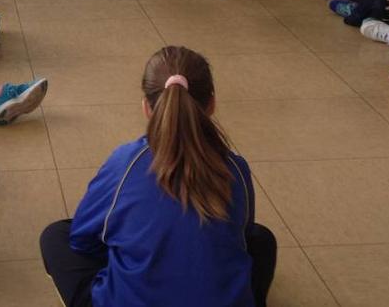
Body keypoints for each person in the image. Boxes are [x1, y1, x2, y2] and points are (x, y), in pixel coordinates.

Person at [40, 46, 276, 307]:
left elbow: (83, 240)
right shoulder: (235, 167)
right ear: (211, 104)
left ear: (146, 107)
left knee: (56, 236)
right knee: (261, 240)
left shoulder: (125, 164)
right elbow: (241, 236)